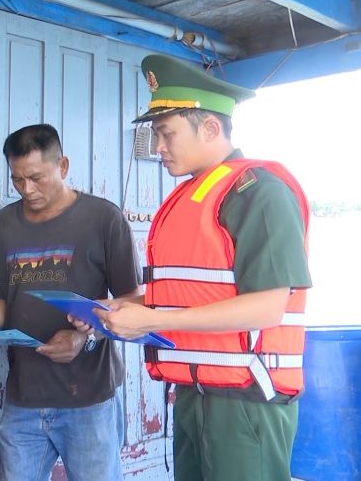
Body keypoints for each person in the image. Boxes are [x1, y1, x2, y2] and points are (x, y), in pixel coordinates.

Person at [94, 54, 311, 481]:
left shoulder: (259, 193)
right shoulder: (193, 195)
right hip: (195, 394)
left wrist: (151, 318)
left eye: (166, 134)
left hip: (246, 401)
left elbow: (267, 308)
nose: (157, 148)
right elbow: (185, 292)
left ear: (210, 127)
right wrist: (112, 310)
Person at [0, 124, 140, 481]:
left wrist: (84, 337)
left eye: (36, 177)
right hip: (24, 397)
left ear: (63, 166)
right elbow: (0, 302)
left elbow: (133, 303)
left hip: (89, 397)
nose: (27, 189)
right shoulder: (7, 221)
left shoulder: (103, 219)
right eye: (17, 180)